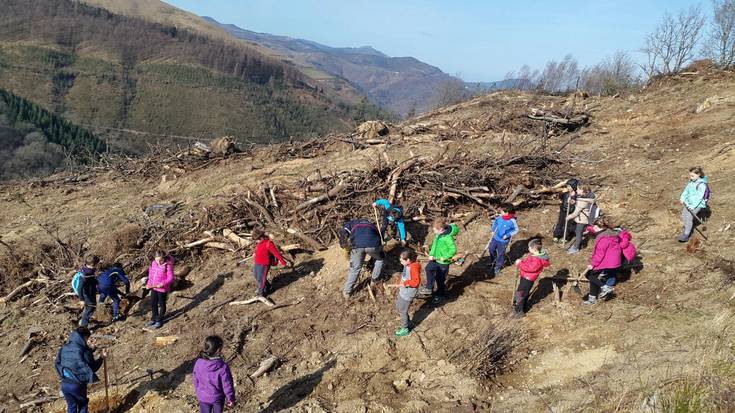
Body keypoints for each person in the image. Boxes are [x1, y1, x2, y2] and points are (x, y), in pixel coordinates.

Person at [55, 327, 106, 413]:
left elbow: (57, 362)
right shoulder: (84, 351)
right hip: (77, 385)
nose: (88, 341)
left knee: (71, 406)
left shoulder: (64, 348)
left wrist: (92, 349)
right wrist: (101, 358)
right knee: (83, 405)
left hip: (65, 384)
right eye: (87, 338)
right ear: (83, 337)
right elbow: (92, 368)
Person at [339, 218, 384, 298]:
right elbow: (378, 239)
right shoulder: (372, 225)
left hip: (357, 246)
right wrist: (380, 251)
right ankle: (374, 281)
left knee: (355, 268)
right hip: (373, 245)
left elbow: (343, 231)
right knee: (379, 260)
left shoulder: (352, 223)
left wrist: (344, 244)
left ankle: (347, 292)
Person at [583, 216, 622, 305]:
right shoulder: (609, 232)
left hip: (606, 260)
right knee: (592, 276)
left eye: (595, 227)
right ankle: (592, 298)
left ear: (599, 227)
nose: (593, 228)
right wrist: (587, 227)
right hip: (612, 260)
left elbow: (600, 254)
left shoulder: (603, 238)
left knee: (590, 275)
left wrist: (592, 264)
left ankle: (605, 288)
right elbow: (592, 229)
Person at [418, 219, 459, 304]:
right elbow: (434, 246)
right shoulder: (438, 235)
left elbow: (453, 250)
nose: (434, 232)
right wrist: (431, 254)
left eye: (435, 230)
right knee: (428, 268)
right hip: (435, 259)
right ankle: (429, 287)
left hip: (443, 262)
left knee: (440, 279)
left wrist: (444, 257)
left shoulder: (448, 238)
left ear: (440, 229)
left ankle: (440, 294)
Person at [193, 335, 236, 413]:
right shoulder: (222, 366)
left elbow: (195, 379)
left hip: (203, 397)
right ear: (219, 350)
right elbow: (227, 385)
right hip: (217, 398)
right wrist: (230, 398)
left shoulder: (198, 362)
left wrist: (198, 391)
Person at [513, 238, 550, 318]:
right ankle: (521, 305)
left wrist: (520, 264)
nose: (528, 249)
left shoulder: (537, 259)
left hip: (528, 278)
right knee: (521, 292)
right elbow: (528, 263)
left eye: (529, 247)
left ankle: (519, 311)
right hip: (525, 276)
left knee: (521, 293)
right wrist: (522, 262)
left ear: (534, 249)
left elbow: (530, 268)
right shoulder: (535, 255)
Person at [251, 228, 291, 297]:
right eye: (256, 240)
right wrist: (255, 253)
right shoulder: (259, 243)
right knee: (256, 275)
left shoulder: (269, 243)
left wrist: (283, 262)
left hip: (264, 264)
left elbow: (277, 254)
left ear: (262, 237)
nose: (257, 241)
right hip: (257, 262)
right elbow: (259, 250)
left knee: (261, 279)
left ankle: (261, 294)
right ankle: (268, 286)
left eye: (257, 239)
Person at [391, 249, 421, 337]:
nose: (400, 261)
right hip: (403, 291)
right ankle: (408, 323)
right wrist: (400, 283)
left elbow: (416, 282)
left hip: (408, 293)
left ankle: (405, 328)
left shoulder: (413, 268)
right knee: (399, 306)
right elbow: (405, 276)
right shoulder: (407, 265)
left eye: (401, 260)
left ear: (408, 260)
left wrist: (405, 283)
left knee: (403, 311)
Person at [678, 166, 709, 242]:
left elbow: (699, 198)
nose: (691, 177)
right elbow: (686, 190)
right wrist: (682, 198)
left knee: (689, 217)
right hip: (688, 202)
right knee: (684, 216)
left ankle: (686, 234)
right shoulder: (691, 182)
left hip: (697, 205)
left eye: (692, 176)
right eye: (690, 176)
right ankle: (688, 227)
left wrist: (692, 206)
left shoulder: (702, 185)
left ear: (698, 174)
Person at [487, 204, 519, 276]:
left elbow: (516, 230)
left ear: (507, 212)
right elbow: (495, 223)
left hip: (503, 241)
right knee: (491, 249)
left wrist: (507, 235)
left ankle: (498, 266)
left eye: (501, 211)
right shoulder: (499, 217)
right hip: (495, 237)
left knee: (501, 253)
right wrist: (493, 230)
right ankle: (493, 261)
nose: (500, 212)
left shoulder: (512, 221)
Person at [146, 251, 175, 329]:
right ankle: (154, 318)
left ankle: (159, 320)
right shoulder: (153, 263)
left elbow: (171, 278)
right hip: (154, 287)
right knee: (153, 303)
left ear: (164, 258)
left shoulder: (168, 265)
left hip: (162, 288)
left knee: (162, 304)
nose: (159, 262)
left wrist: (163, 283)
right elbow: (151, 275)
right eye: (157, 260)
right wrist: (149, 284)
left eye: (161, 260)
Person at [565, 184, 597, 254]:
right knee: (578, 232)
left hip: (582, 220)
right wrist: (572, 202)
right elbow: (578, 204)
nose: (576, 190)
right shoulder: (584, 198)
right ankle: (577, 245)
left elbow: (576, 213)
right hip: (582, 219)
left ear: (582, 191)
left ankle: (576, 248)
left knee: (578, 234)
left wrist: (568, 217)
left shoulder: (582, 200)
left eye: (578, 189)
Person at [553, 178, 578, 243]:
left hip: (571, 211)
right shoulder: (565, 193)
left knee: (567, 224)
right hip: (563, 210)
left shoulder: (576, 195)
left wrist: (573, 201)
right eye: (567, 186)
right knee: (560, 223)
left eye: (569, 186)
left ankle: (565, 237)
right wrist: (561, 193)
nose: (567, 187)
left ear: (573, 187)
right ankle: (556, 235)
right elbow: (560, 197)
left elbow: (577, 203)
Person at [78, 255, 100, 328]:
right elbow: (79, 288)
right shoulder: (84, 274)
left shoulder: (89, 271)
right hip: (87, 294)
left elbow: (92, 280)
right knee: (90, 307)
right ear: (92, 265)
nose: (97, 266)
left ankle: (84, 321)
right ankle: (83, 326)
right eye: (96, 264)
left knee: (91, 307)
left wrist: (97, 283)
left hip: (91, 292)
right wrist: (81, 299)